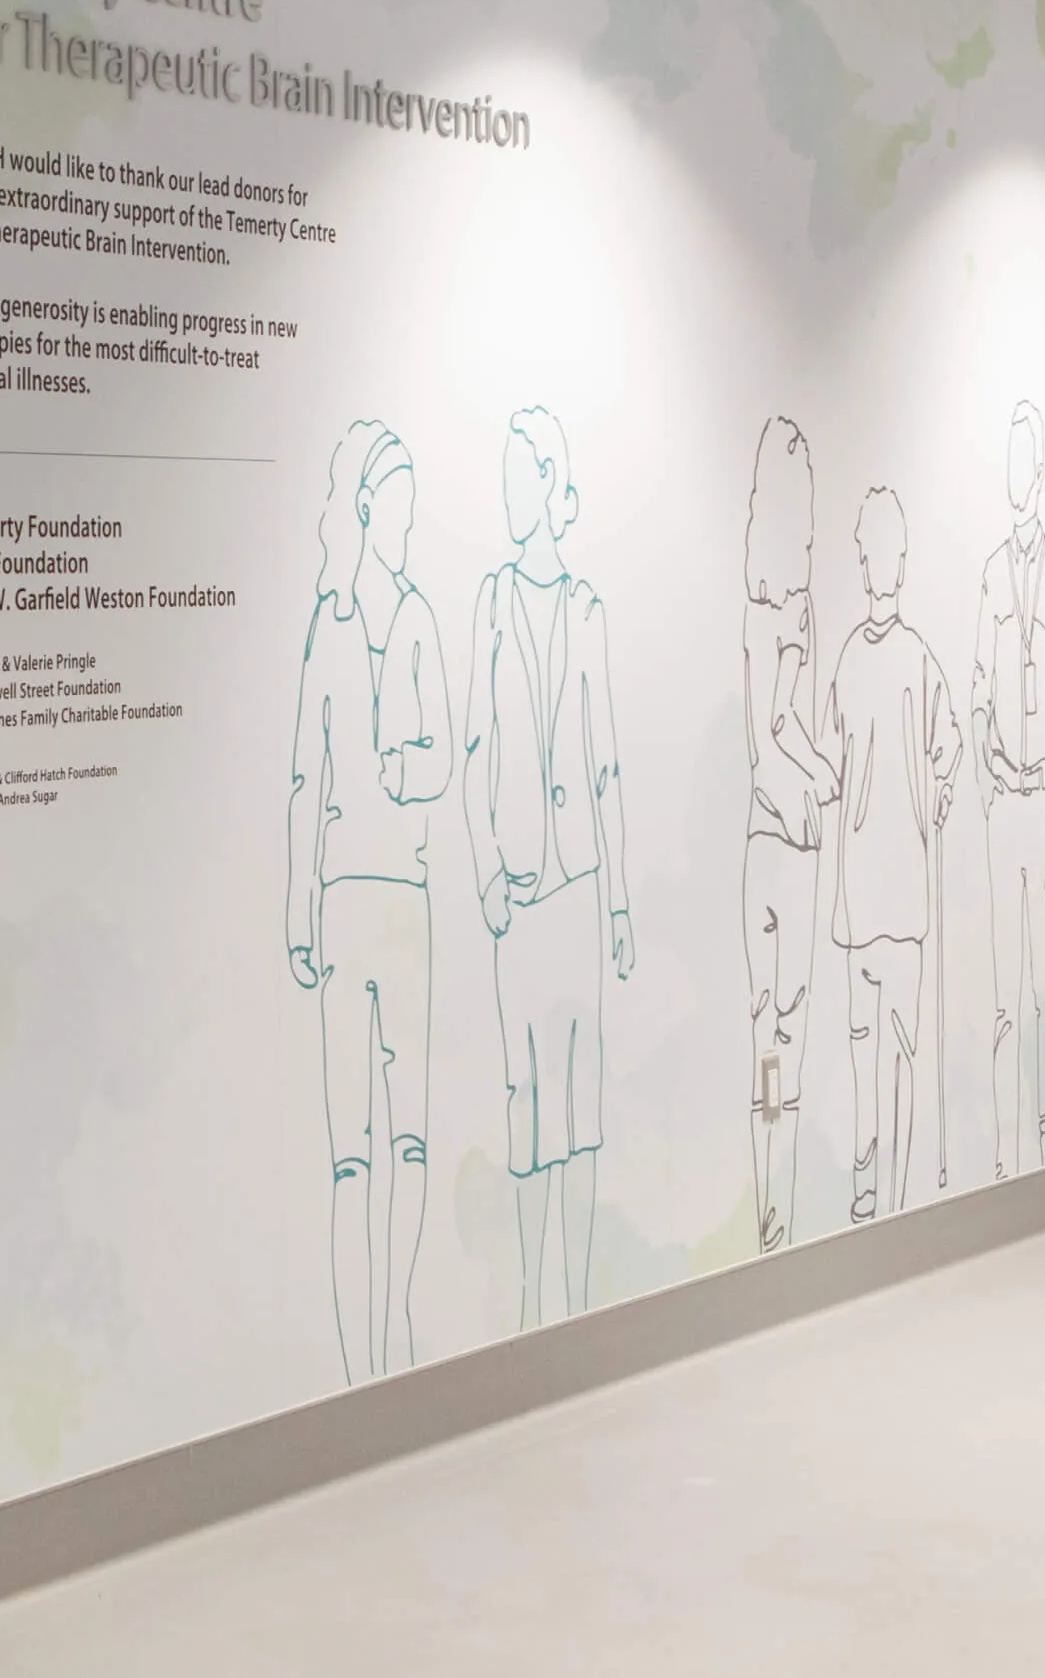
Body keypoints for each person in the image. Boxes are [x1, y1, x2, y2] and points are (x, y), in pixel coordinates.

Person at [287, 422, 452, 1381]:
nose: (407, 523)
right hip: (346, 901)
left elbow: (445, 752)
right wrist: (297, 909)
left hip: (407, 901)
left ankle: (398, 1336)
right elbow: (304, 777)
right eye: (396, 507)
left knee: (412, 1139)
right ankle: (359, 1367)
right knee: (350, 1154)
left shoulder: (420, 620)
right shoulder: (332, 625)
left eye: (412, 510)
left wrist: (410, 765)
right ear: (365, 509)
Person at [463, 408, 633, 1328]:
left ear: (549, 486)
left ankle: (577, 1295)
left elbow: (606, 762)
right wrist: (487, 870)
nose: (508, 492)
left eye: (520, 476)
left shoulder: (587, 610)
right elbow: (474, 751)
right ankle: (533, 1301)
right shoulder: (492, 602)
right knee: (526, 1096)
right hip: (519, 900)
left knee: (581, 1100)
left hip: (578, 887)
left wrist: (620, 905)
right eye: (504, 477)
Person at [824, 488, 962, 1224]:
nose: (877, 566)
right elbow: (830, 758)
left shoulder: (912, 659)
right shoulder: (854, 660)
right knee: (867, 1046)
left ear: (897, 563)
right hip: (865, 895)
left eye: (883, 553)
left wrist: (941, 787)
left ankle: (891, 1193)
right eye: (870, 553)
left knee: (892, 1045)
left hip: (898, 892)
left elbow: (950, 743)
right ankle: (872, 1180)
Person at [742, 419, 839, 1253]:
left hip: (784, 846)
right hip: (778, 846)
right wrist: (808, 780)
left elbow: (782, 727)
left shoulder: (789, 610)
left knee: (783, 1035)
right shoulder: (771, 614)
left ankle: (779, 1220)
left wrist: (818, 766)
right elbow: (766, 736)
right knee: (775, 1034)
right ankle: (771, 1216)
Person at [972, 403, 1045, 1175]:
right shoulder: (989, 575)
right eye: (1005, 461)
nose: (1013, 477)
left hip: (1042, 802)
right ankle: (1005, 1159)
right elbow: (978, 689)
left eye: (1022, 462)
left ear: (1038, 473)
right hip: (1003, 804)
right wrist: (986, 782)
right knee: (1004, 996)